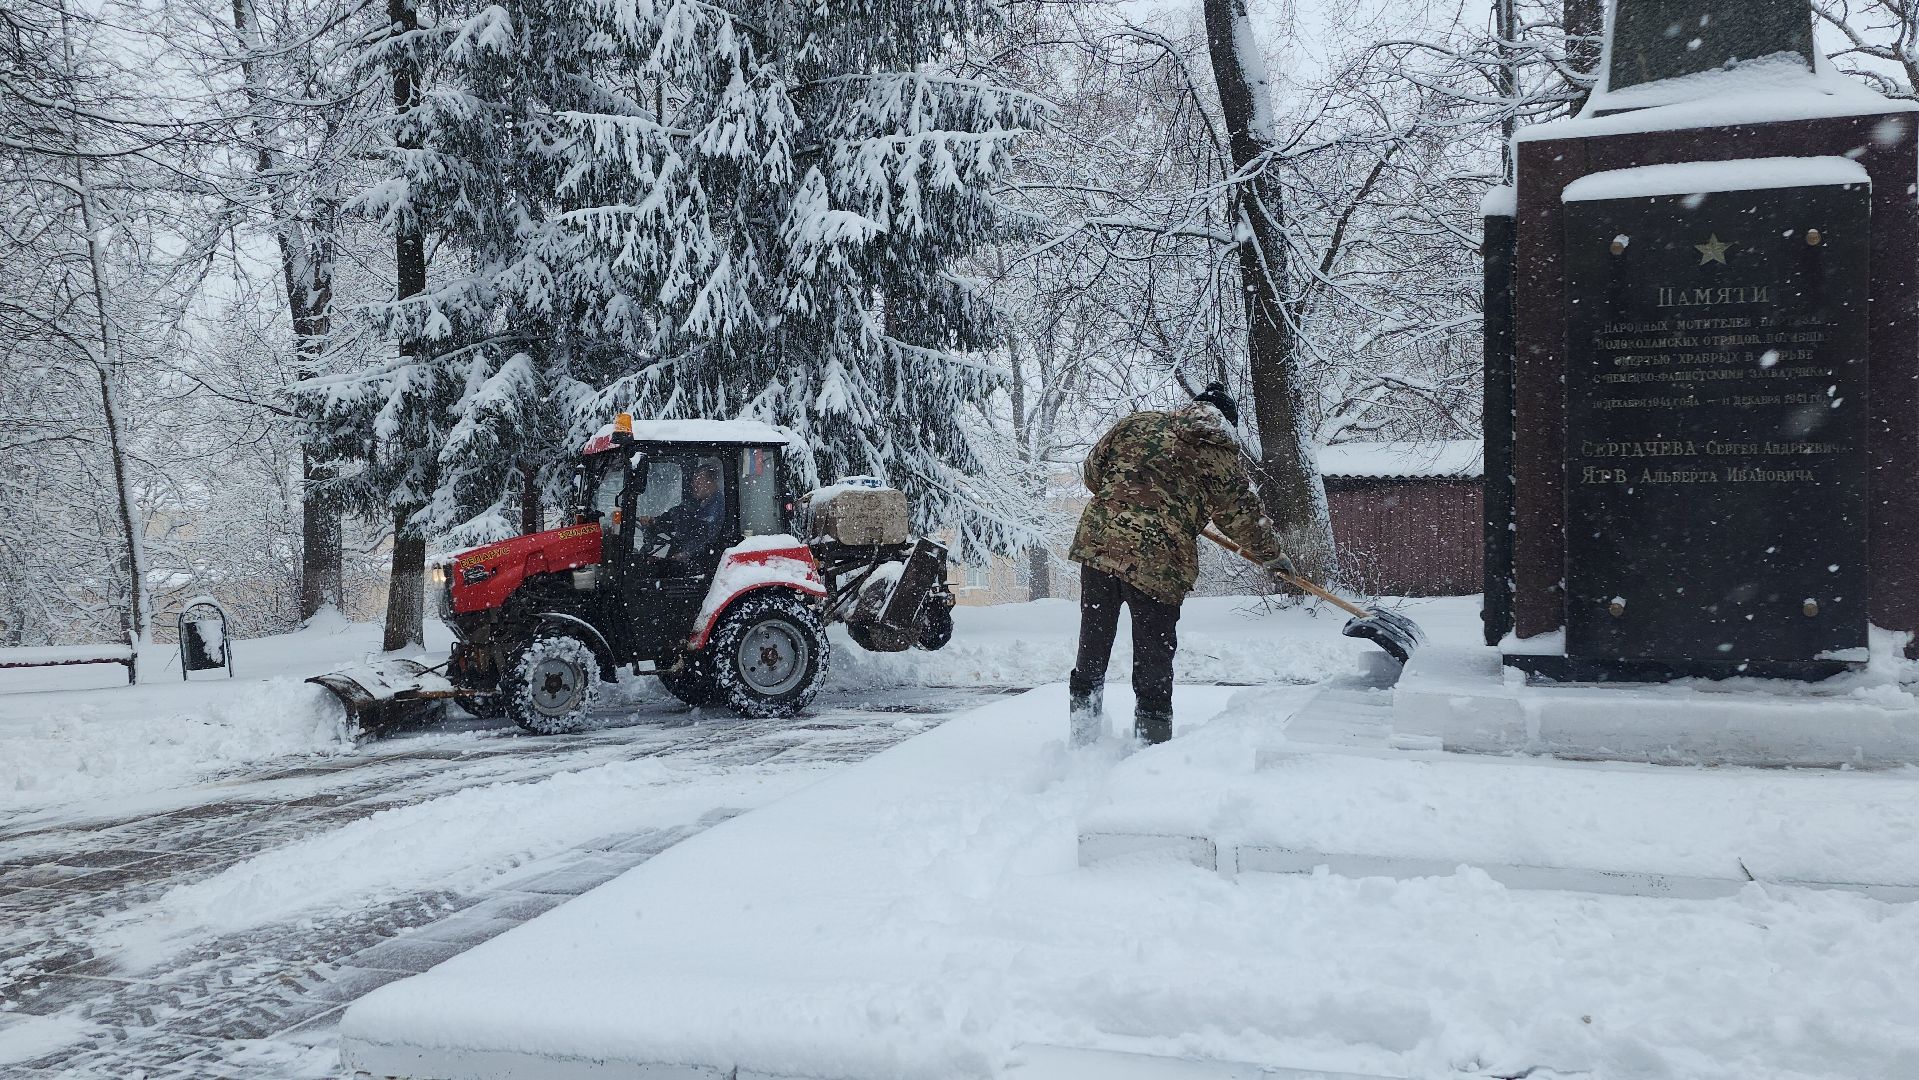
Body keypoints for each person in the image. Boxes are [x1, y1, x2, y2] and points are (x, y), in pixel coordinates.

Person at [1067, 383, 1294, 747]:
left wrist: (1135, 494)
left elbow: (1094, 473)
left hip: (1100, 549)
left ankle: (1082, 739)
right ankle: (1151, 749)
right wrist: (1272, 555)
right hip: (1160, 566)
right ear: (1226, 423)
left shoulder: (1137, 423)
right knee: (1153, 659)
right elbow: (1243, 518)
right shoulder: (1220, 456)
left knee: (1092, 646)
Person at [641, 461, 726, 567]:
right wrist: (655, 521)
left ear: (711, 482)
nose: (693, 484)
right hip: (687, 557)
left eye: (698, 481)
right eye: (694, 480)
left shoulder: (718, 507)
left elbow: (709, 539)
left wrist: (687, 553)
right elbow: (680, 519)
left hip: (700, 564)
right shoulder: (696, 505)